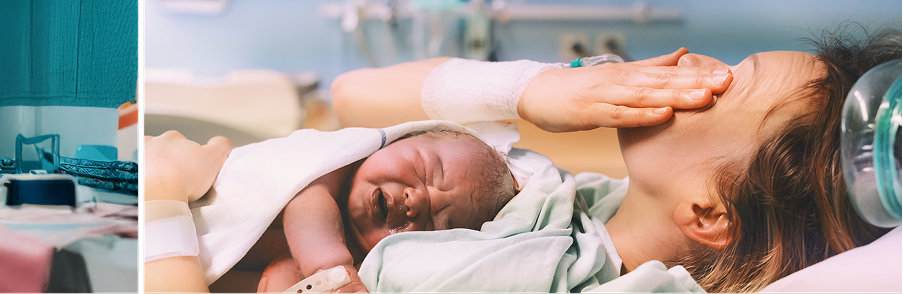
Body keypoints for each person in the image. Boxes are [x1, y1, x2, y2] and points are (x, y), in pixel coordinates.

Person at [329, 28, 898, 292]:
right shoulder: (579, 201)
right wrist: (532, 89)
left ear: (709, 213)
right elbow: (351, 95)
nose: (694, 60)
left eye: (723, 85)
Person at [266, 129, 517, 292]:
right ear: (398, 139)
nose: (416, 201)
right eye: (425, 170)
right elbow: (306, 205)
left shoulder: (364, 260)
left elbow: (280, 272)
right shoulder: (337, 167)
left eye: (435, 224)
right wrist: (332, 273)